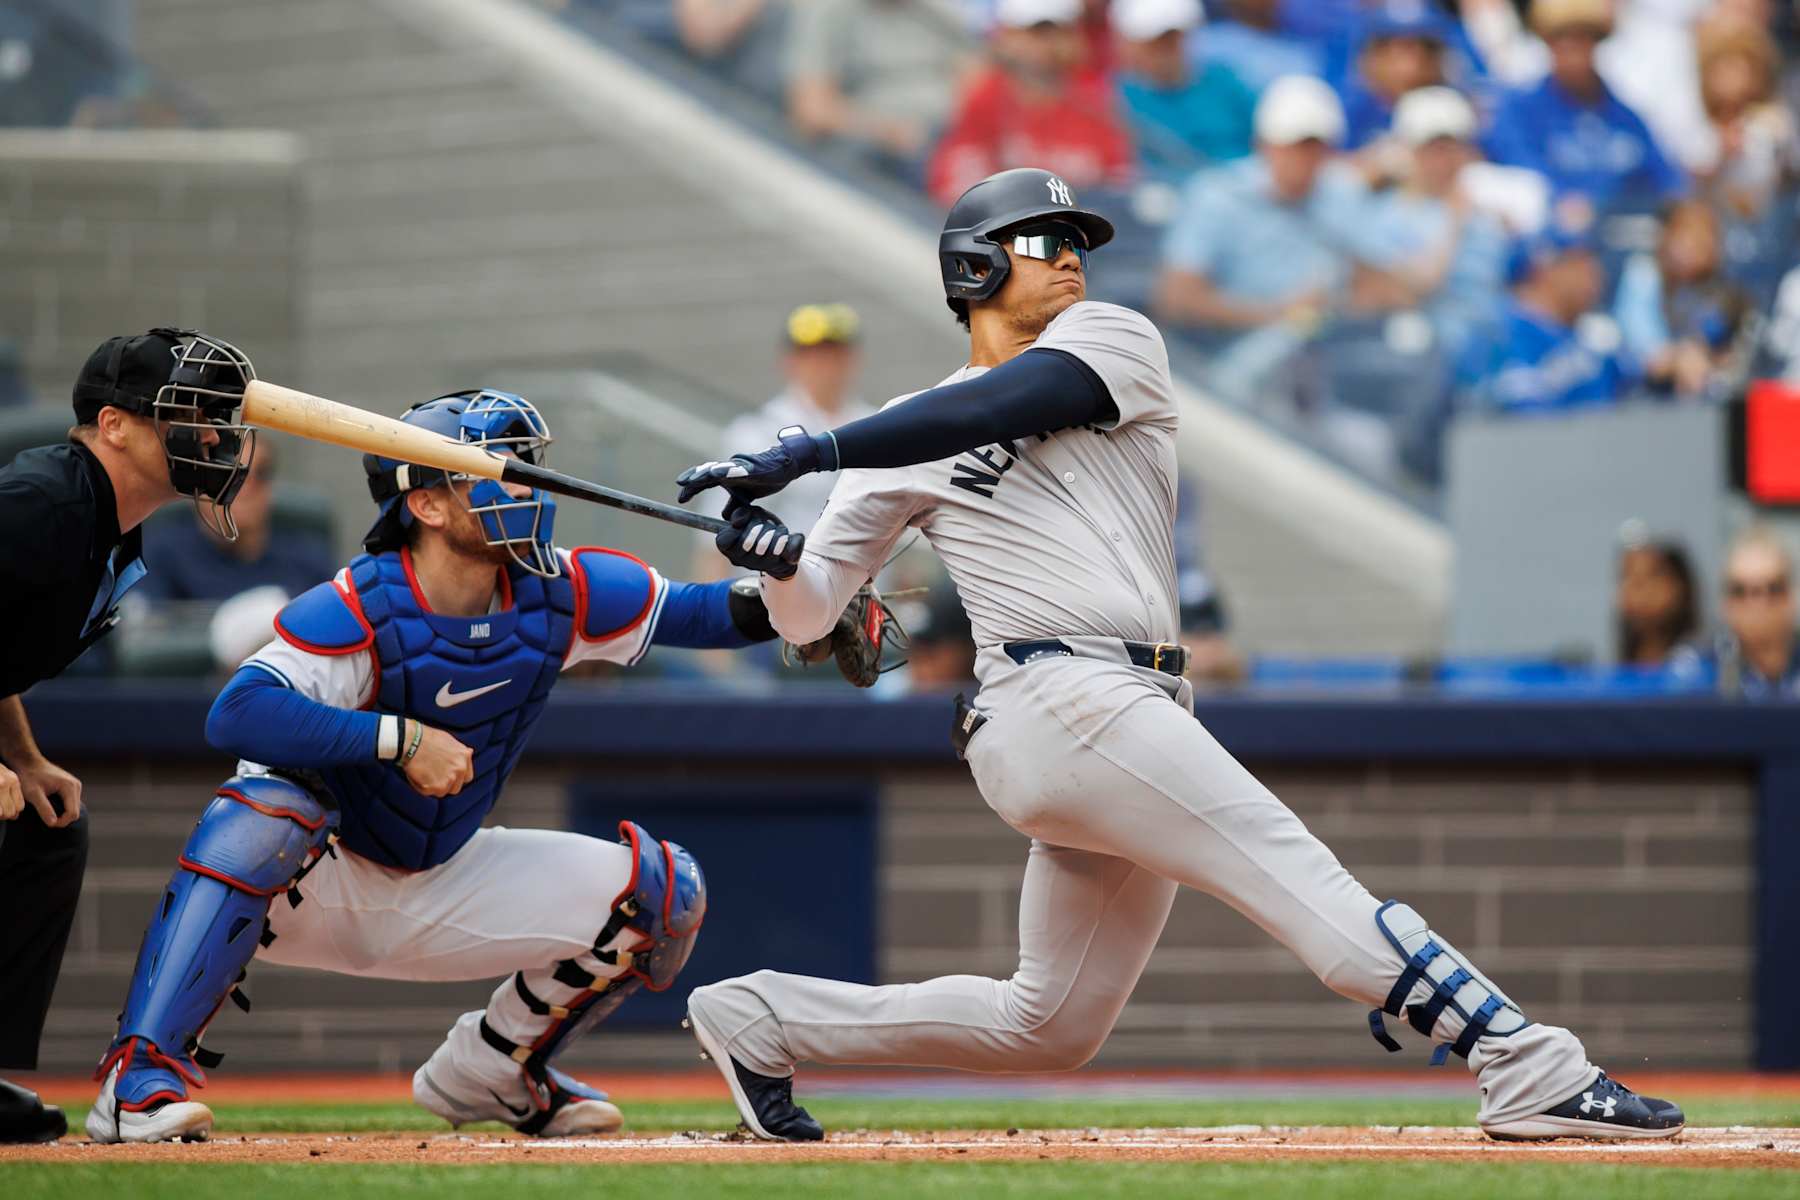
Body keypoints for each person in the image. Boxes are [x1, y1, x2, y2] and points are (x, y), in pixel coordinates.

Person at [671, 165, 1684, 1143]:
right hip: (1057, 697)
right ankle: (1529, 1063)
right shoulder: (891, 443)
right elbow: (809, 621)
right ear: (975, 270)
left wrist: (812, 448)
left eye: (1078, 244)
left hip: (1128, 701)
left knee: (1050, 1024)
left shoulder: (1106, 341)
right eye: (1042, 243)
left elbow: (993, 405)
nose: (1071, 260)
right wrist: (769, 555)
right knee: (1303, 879)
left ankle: (764, 1018)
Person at [84, 389, 798, 1143]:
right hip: (316, 886)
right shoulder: (363, 602)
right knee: (260, 813)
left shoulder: (561, 589)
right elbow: (236, 711)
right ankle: (136, 1080)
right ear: (425, 506)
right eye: (495, 470)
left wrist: (784, 578)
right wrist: (401, 740)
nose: (524, 485)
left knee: (662, 891)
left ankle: (494, 1069)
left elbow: (717, 613)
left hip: (446, 872)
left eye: (525, 465)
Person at [0, 328, 256, 1143]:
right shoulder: (44, 502)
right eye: (188, 417)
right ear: (114, 424)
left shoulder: (112, 531)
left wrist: (24, 756)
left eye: (216, 420)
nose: (211, 437)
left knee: (49, 831)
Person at [1481, 0, 1687, 224]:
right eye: (1562, 40)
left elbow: (1666, 179)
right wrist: (1563, 202)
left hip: (1621, 233)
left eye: (1582, 39)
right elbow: (1523, 174)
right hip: (1552, 241)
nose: (1573, 50)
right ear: (1548, 45)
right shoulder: (1521, 110)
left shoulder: (1625, 117)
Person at [927, 0, 1135, 208]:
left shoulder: (1096, 107)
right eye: (1035, 33)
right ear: (1006, 35)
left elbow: (1119, 196)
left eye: (1057, 32)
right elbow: (953, 185)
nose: (1046, 45)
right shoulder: (984, 94)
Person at [137, 438, 335, 605]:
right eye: (227, 473)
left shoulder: (306, 560)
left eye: (260, 473)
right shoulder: (162, 555)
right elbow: (145, 638)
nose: (245, 486)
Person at [1460, 226, 1635, 414]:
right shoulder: (1497, 332)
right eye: (1580, 264)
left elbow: (1637, 389)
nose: (1595, 276)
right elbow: (1513, 413)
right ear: (1544, 269)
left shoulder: (1597, 332)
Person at [785, 0, 974, 172]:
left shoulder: (937, 13)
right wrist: (885, 131)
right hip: (886, 151)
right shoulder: (831, 10)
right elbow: (811, 113)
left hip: (959, 137)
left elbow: (974, 71)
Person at [1611, 198, 1750, 401]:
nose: (1694, 245)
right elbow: (1646, 355)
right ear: (1666, 237)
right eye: (1685, 234)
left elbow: (1728, 350)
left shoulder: (1722, 290)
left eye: (1705, 235)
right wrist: (1679, 359)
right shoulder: (1642, 275)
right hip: (1639, 396)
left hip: (1705, 397)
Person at [1113, 0, 1257, 180]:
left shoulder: (1224, 81)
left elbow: (1263, 137)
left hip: (1242, 186)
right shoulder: (1120, 97)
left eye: (1171, 39)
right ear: (1131, 44)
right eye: (1154, 43)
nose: (1164, 50)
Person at [1337, 1, 1453, 149]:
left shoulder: (1451, 103)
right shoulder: (1352, 109)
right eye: (1394, 47)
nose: (1412, 61)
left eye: (1425, 46)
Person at [1708, 527, 1800, 698]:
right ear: (1724, 603)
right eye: (1740, 591)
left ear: (1793, 597)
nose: (1757, 603)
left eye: (1773, 588)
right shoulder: (1699, 675)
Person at [1614, 536, 1700, 667]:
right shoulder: (1621, 668)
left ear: (1680, 586)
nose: (1632, 592)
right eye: (1626, 577)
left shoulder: (1697, 663)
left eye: (1649, 577)